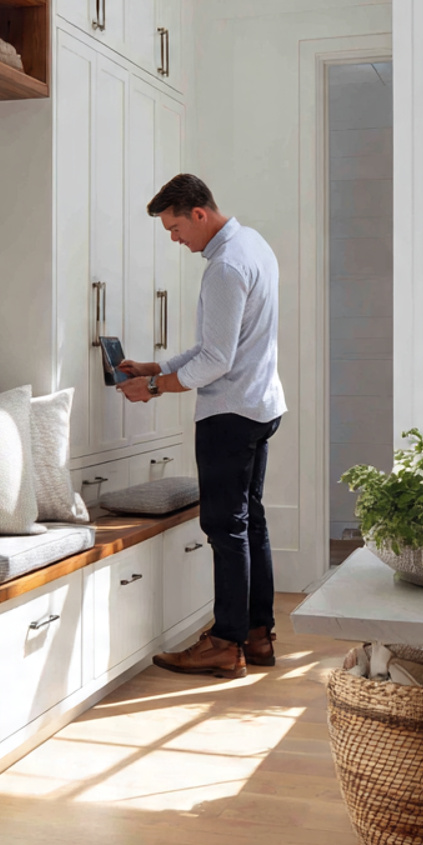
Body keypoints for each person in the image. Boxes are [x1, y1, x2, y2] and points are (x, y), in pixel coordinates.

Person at [118, 174, 287, 680]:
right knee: (249, 521)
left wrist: (152, 390)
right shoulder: (252, 244)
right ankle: (257, 635)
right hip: (261, 406)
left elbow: (216, 360)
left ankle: (224, 643)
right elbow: (220, 343)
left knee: (224, 526)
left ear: (198, 213)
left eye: (174, 228)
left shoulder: (225, 267)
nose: (174, 239)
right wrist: (158, 368)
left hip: (230, 414)